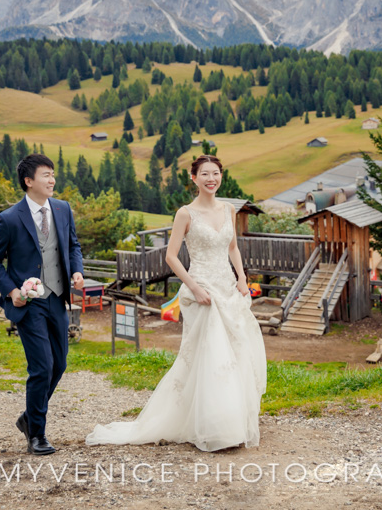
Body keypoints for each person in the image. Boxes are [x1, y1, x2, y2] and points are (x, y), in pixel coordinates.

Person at [86, 154, 266, 451]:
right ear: (193, 178)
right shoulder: (186, 213)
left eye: (216, 173)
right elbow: (171, 256)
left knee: (235, 352)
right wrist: (194, 287)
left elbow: (232, 246)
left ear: (222, 176)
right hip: (202, 288)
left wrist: (242, 278)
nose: (211, 179)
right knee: (211, 353)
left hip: (227, 288)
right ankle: (212, 426)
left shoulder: (230, 209)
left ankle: (230, 420)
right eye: (205, 174)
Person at [0, 154, 84, 456]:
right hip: (29, 304)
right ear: (28, 181)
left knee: (60, 364)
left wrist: (77, 270)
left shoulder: (63, 209)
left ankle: (29, 417)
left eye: (53, 174)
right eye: (45, 175)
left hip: (57, 298)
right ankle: (36, 435)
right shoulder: (10, 218)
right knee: (42, 366)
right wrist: (12, 290)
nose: (52, 180)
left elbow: (73, 245)